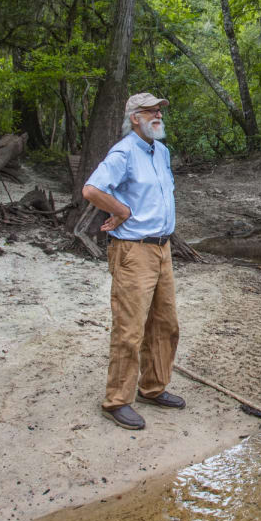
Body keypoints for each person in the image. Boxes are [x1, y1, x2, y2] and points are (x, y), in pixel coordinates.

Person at [81, 92, 183, 430]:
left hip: (162, 249)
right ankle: (116, 401)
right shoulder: (124, 152)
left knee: (165, 324)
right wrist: (121, 210)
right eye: (150, 111)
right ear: (134, 118)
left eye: (159, 111)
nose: (158, 115)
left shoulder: (161, 151)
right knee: (129, 329)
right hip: (133, 251)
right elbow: (92, 189)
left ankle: (152, 388)